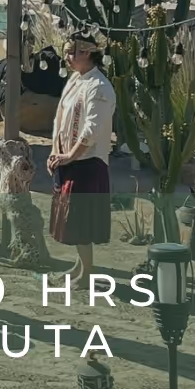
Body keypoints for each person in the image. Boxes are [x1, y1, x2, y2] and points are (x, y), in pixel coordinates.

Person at [48, 33, 118, 281]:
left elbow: (92, 128)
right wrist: (55, 152)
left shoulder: (99, 87)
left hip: (88, 163)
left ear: (87, 53)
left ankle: (86, 273)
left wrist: (70, 155)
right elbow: (60, 120)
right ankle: (79, 268)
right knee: (72, 219)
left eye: (71, 53)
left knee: (81, 221)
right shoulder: (76, 80)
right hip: (69, 159)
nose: (67, 58)